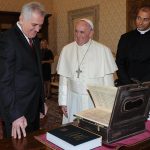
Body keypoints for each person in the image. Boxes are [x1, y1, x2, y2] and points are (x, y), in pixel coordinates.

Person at [0, 2, 47, 139]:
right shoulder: (7, 40)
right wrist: (15, 115)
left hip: (33, 106)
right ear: (21, 19)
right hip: (17, 109)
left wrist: (41, 101)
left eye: (40, 25)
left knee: (34, 142)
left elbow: (37, 73)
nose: (38, 29)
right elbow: (3, 82)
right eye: (34, 25)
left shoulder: (35, 39)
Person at [57, 18, 118, 124]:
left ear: (91, 33)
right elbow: (63, 79)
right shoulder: (67, 50)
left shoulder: (103, 51)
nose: (78, 35)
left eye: (82, 32)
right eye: (76, 31)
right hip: (73, 100)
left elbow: (108, 84)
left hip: (94, 102)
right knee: (73, 132)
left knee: (93, 132)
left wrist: (108, 107)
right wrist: (63, 102)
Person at [116, 5, 150, 86]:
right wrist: (128, 83)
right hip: (127, 84)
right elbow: (119, 62)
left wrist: (145, 84)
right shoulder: (125, 38)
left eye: (145, 19)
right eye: (139, 18)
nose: (140, 22)